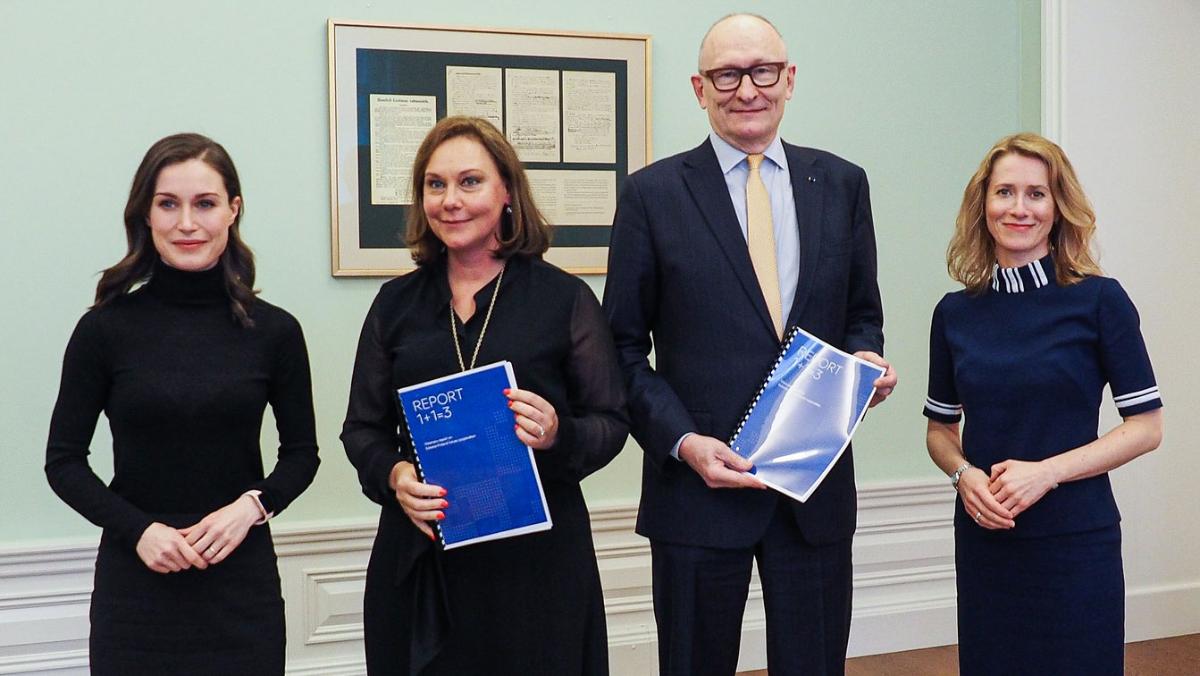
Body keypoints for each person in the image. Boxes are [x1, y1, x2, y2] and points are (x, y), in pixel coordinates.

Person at [603, 13, 898, 676]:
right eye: (727, 74)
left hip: (812, 494)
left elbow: (861, 315)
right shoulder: (651, 195)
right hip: (697, 495)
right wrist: (682, 441)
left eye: (762, 71)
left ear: (789, 79)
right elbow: (620, 349)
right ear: (698, 87)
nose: (746, 89)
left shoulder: (843, 184)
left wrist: (867, 359)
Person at [341, 115, 629, 675]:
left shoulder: (563, 298)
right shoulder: (395, 305)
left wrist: (556, 433)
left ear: (507, 193)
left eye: (470, 182)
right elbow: (362, 429)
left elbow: (612, 421)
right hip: (423, 554)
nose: (450, 200)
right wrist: (396, 477)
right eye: (435, 184)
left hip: (535, 563)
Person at [44, 133, 320, 674]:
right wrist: (140, 531)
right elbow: (63, 462)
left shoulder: (276, 332)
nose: (187, 223)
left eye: (205, 204)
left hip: (241, 584)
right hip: (137, 584)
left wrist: (251, 508)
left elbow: (302, 454)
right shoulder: (104, 329)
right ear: (146, 214)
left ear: (233, 210)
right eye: (168, 204)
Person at [924, 132, 1163, 675]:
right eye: (1005, 192)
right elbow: (940, 431)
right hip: (988, 538)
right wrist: (964, 476)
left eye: (1037, 194)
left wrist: (1046, 474)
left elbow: (1147, 427)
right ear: (983, 205)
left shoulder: (1100, 300)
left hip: (1076, 540)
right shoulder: (954, 313)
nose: (1019, 208)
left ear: (1058, 208)